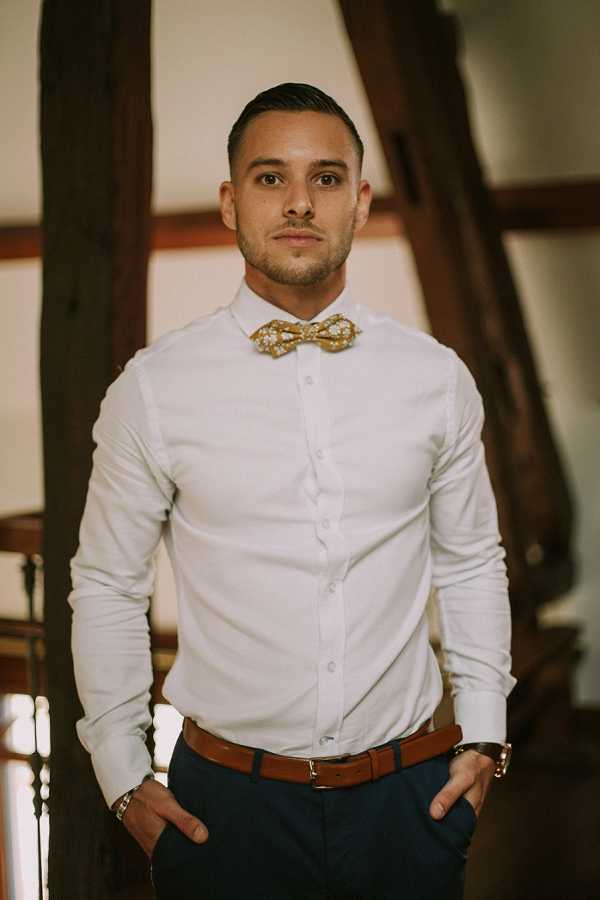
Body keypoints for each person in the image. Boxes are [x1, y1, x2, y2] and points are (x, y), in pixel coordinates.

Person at [68, 83, 516, 899]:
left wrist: (486, 733)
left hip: (410, 800)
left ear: (362, 200)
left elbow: (472, 559)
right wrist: (122, 773)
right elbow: (105, 584)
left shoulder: (435, 378)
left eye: (328, 178)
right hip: (224, 810)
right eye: (271, 178)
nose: (301, 202)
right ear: (231, 202)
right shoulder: (154, 388)